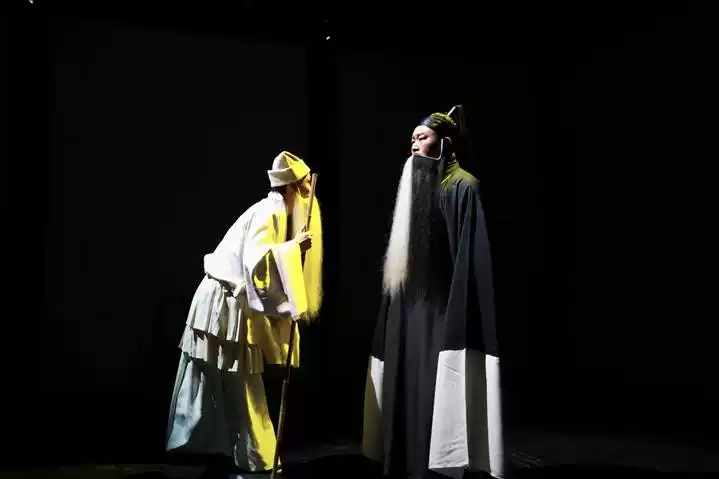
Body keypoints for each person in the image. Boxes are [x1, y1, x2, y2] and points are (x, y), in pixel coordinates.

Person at [362, 107, 503, 479]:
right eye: (412, 139)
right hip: (408, 312)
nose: (414, 145)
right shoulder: (413, 189)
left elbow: (469, 260)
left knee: (433, 392)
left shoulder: (463, 187)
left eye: (422, 137)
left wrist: (457, 315)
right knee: (407, 390)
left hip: (441, 313)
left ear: (446, 142)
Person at [166, 151, 323, 476]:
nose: (310, 189)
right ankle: (253, 454)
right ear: (293, 186)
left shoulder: (277, 211)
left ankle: (210, 447)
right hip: (224, 302)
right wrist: (294, 249)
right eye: (306, 183)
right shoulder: (270, 212)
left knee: (226, 379)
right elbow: (257, 263)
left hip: (228, 300)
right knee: (238, 381)